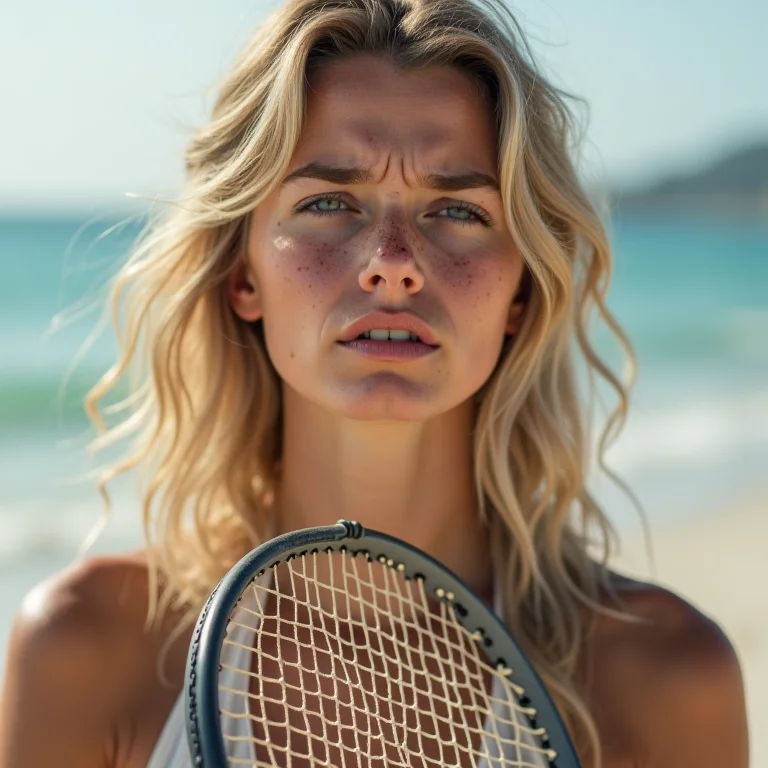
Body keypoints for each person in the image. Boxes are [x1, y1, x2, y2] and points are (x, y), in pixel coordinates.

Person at [0, 0, 749, 765]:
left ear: (521, 291)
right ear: (241, 274)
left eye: (457, 209)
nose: (392, 261)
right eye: (328, 203)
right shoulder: (85, 653)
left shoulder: (664, 681)